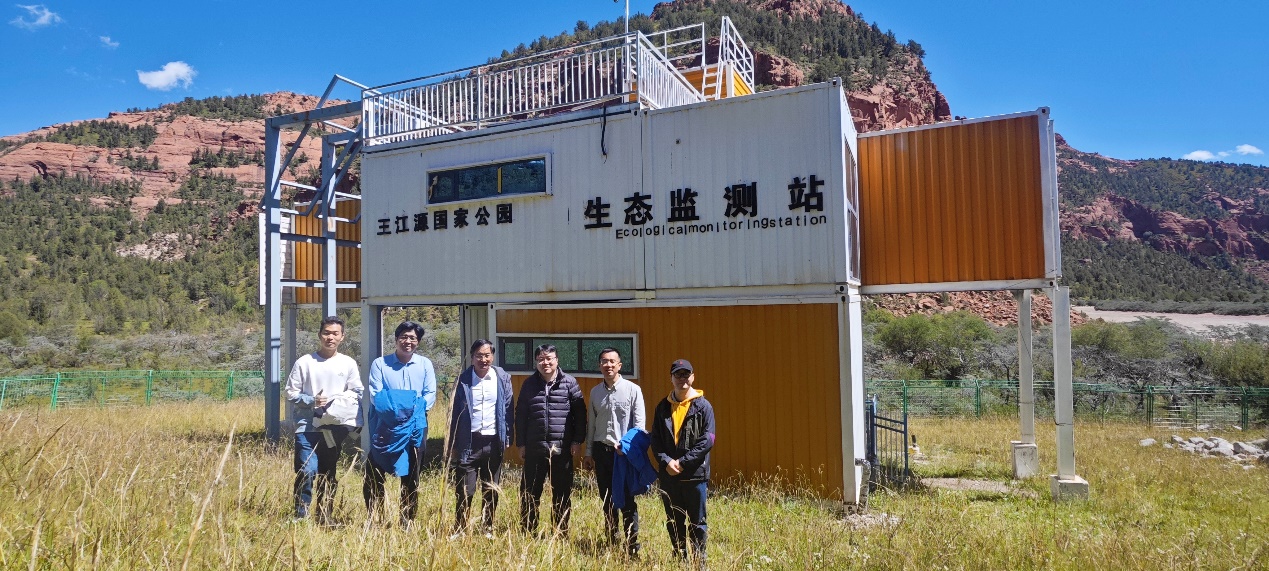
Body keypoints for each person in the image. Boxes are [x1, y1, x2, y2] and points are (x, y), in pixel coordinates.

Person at [284, 315, 363, 524]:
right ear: (320, 335)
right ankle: (300, 516)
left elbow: (357, 391)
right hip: (307, 427)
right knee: (306, 470)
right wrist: (312, 400)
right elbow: (290, 393)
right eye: (326, 333)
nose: (330, 337)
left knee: (328, 473)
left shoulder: (348, 363)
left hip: (334, 429)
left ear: (342, 337)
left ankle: (324, 515)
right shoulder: (305, 362)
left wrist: (340, 405)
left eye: (335, 333)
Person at [364, 321, 436, 527]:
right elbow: (377, 396)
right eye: (404, 337)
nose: (408, 341)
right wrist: (408, 406)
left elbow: (429, 395)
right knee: (374, 473)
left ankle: (407, 521)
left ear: (418, 342)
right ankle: (375, 519)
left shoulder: (425, 364)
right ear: (396, 339)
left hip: (415, 427)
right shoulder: (380, 364)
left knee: (412, 475)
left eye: (413, 338)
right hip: (385, 426)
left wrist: (406, 409)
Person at [514, 344, 586, 535]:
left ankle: (560, 533)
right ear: (536, 362)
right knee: (529, 493)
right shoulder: (529, 384)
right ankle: (528, 532)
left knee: (562, 494)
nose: (545, 362)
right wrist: (521, 443)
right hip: (534, 448)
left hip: (561, 449)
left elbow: (580, 415)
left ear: (556, 360)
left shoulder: (569, 383)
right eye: (541, 359)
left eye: (549, 358)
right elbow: (520, 415)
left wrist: (577, 441)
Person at [581, 347, 646, 557]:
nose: (608, 365)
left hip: (623, 454)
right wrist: (589, 452)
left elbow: (639, 427)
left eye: (612, 361)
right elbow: (591, 425)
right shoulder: (595, 392)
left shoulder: (633, 390)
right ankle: (611, 539)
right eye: (604, 361)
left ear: (619, 365)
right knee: (607, 499)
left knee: (626, 500)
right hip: (602, 452)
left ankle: (632, 546)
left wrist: (627, 448)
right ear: (599, 365)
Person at [650, 359, 715, 566]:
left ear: (693, 377)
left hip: (694, 475)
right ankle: (680, 559)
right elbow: (655, 440)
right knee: (674, 521)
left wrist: (683, 463)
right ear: (671, 378)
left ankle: (698, 563)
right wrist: (667, 462)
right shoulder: (662, 407)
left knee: (697, 522)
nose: (682, 379)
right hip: (669, 476)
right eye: (678, 375)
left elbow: (708, 440)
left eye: (686, 374)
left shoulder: (703, 406)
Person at [446, 339, 514, 535]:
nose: (483, 359)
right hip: (469, 442)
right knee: (464, 489)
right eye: (479, 356)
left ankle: (487, 527)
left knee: (491, 488)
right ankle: (460, 527)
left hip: (493, 441)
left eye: (487, 355)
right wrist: (452, 444)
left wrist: (507, 436)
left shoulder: (502, 378)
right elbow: (453, 414)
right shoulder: (463, 380)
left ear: (492, 356)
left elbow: (508, 410)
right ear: (472, 357)